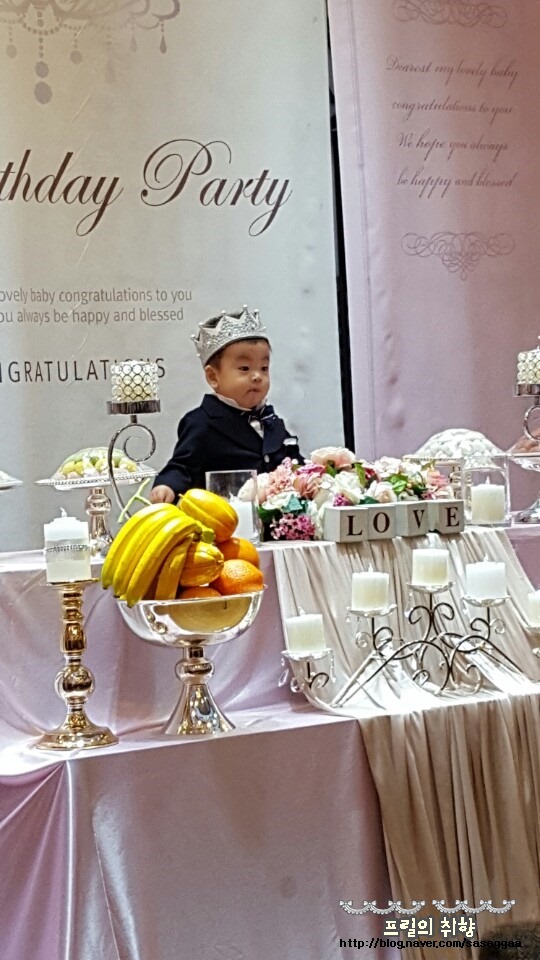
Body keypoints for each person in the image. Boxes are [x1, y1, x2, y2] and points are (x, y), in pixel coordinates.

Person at [151, 305, 303, 502]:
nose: (257, 376)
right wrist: (167, 485)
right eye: (245, 368)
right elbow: (182, 466)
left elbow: (292, 462)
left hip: (275, 516)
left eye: (264, 368)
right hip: (223, 516)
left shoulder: (271, 420)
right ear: (213, 377)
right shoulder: (201, 422)